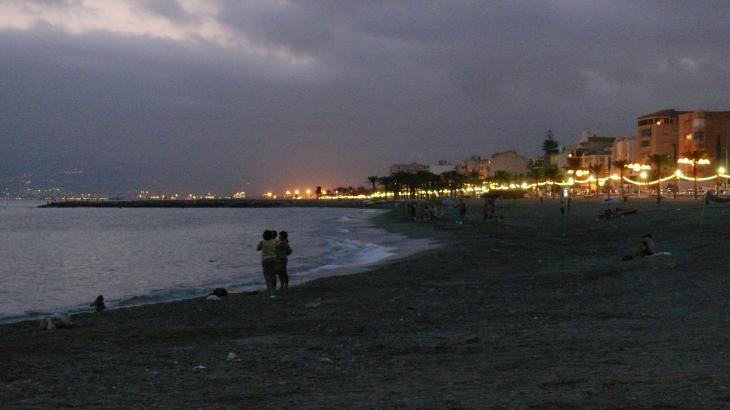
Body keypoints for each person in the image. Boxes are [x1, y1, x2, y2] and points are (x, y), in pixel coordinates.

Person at [256, 230, 278, 295]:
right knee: (273, 274)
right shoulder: (275, 241)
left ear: (264, 236)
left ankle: (269, 288)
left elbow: (258, 249)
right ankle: (274, 288)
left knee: (266, 274)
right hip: (274, 259)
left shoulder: (262, 242)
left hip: (265, 260)